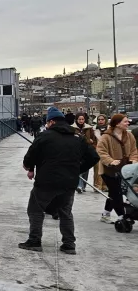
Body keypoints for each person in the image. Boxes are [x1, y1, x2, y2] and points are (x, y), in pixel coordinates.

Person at [19, 106, 98, 254]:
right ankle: (69, 244)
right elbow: (94, 157)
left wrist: (29, 167)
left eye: (48, 122)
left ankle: (34, 240)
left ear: (52, 122)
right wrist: (77, 170)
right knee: (65, 212)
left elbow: (31, 156)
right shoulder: (78, 138)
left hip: (46, 182)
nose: (47, 125)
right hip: (69, 183)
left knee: (35, 209)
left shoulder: (44, 136)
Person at [96, 113, 138, 225]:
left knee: (114, 192)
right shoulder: (106, 137)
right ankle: (121, 216)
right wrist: (110, 161)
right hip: (109, 170)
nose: (128, 123)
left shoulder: (129, 136)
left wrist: (134, 159)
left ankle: (105, 213)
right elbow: (101, 151)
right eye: (125, 121)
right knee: (117, 192)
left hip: (124, 169)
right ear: (117, 124)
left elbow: (134, 150)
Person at [72, 112, 97, 193]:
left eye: (82, 119)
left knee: (86, 169)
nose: (81, 121)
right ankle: (79, 185)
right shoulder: (72, 128)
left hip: (87, 150)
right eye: (79, 119)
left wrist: (92, 143)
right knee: (79, 168)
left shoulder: (89, 128)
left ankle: (83, 186)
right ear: (76, 120)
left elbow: (94, 139)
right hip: (76, 150)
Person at [93, 114, 109, 192]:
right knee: (97, 169)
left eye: (102, 119)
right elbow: (92, 140)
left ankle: (105, 185)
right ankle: (97, 185)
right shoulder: (94, 129)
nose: (100, 121)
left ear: (105, 120)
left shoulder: (110, 129)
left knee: (106, 169)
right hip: (97, 151)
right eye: (99, 120)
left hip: (107, 151)